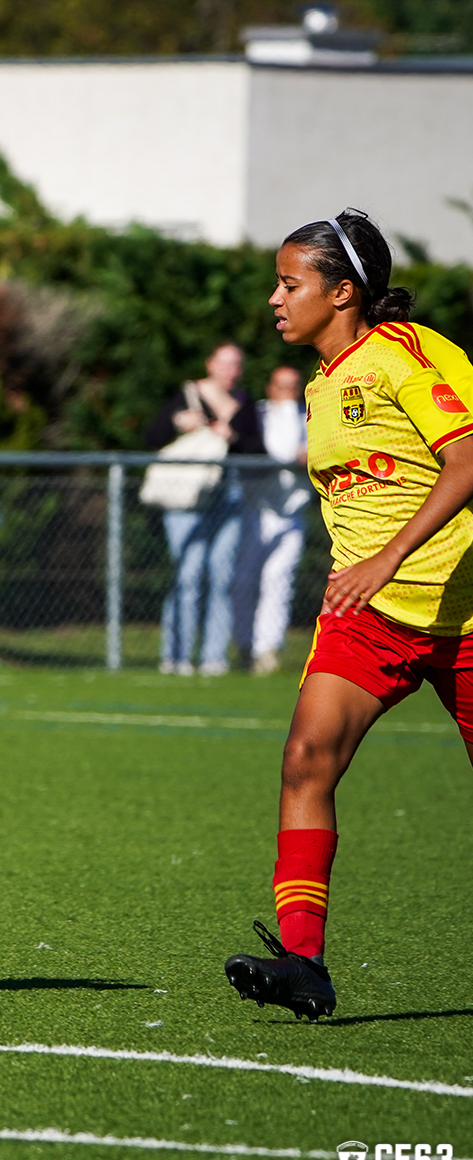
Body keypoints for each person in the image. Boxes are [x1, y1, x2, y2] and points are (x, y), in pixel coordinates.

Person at [224, 209, 473, 1020]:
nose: (274, 299)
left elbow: (468, 459)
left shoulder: (411, 353)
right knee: (306, 760)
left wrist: (387, 556)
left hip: (463, 611)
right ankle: (302, 962)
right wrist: (363, 571)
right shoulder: (325, 383)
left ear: (341, 292)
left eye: (289, 283)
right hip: (370, 617)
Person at [146, 342, 264, 675]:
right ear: (210, 363)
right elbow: (151, 436)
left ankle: (214, 658)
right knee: (188, 574)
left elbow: (259, 450)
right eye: (226, 363)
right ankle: (176, 656)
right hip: (188, 496)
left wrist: (234, 437)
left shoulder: (244, 404)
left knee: (222, 576)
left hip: (229, 495)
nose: (232, 371)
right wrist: (176, 422)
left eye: (237, 365)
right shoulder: (187, 395)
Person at [233, 364, 310, 675]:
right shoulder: (258, 415)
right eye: (281, 386)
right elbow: (276, 452)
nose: (287, 393)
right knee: (244, 581)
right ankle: (243, 644)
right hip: (255, 510)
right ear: (270, 387)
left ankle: (267, 650)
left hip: (292, 512)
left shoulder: (308, 417)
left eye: (293, 386)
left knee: (279, 581)